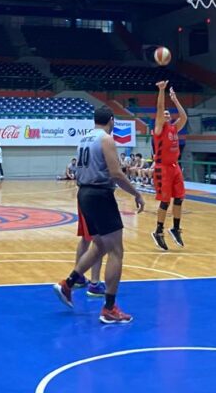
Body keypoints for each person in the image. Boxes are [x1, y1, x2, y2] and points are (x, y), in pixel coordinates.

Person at [53, 105, 145, 324]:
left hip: (84, 194)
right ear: (111, 120)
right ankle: (110, 308)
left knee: (99, 245)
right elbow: (116, 173)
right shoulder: (106, 139)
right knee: (116, 251)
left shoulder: (84, 139)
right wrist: (136, 193)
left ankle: (68, 283)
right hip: (100, 194)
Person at [151, 80, 188, 251]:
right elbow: (159, 110)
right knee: (165, 201)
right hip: (162, 168)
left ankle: (175, 227)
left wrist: (174, 99)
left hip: (174, 167)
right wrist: (161, 91)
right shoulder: (159, 130)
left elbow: (184, 117)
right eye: (163, 114)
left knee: (179, 197)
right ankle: (158, 231)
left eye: (168, 114)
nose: (165, 115)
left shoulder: (173, 128)